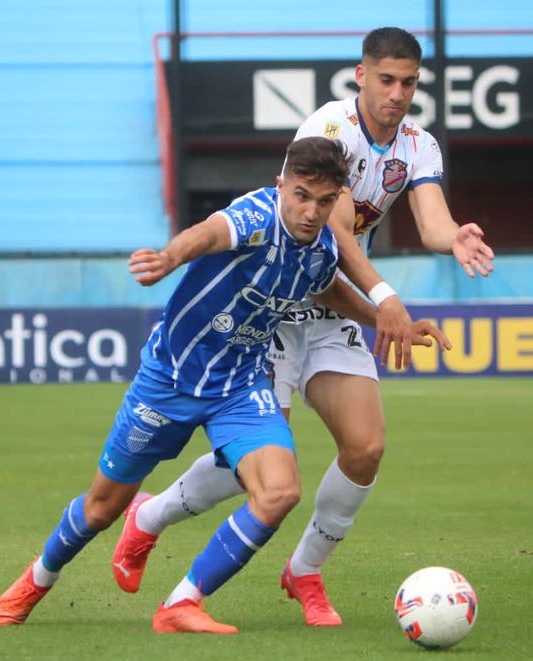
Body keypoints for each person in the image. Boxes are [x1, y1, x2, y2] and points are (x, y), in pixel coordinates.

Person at [110, 27, 495, 627]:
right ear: (362, 76)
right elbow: (338, 232)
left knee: (365, 447)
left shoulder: (419, 146)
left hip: (334, 308)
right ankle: (149, 517)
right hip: (276, 312)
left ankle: (305, 570)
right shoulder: (329, 128)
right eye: (387, 80)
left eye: (410, 83)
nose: (398, 93)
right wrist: (385, 297)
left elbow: (432, 222)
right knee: (263, 465)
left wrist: (456, 238)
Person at [0, 137, 443, 633]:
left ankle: (181, 603)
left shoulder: (322, 246)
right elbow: (207, 233)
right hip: (169, 380)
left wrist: (386, 320)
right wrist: (170, 257)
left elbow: (325, 286)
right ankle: (37, 578)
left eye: (325, 201)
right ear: (280, 186)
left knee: (279, 491)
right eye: (301, 195)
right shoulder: (256, 215)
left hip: (240, 386)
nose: (311, 211)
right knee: (102, 508)